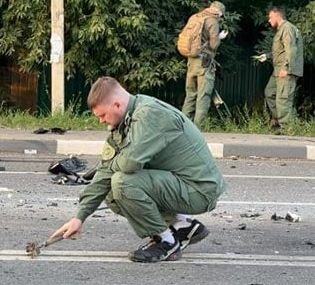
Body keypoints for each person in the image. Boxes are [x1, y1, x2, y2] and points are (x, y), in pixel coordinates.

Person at [52, 77, 226, 263]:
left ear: (117, 105)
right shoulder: (125, 121)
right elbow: (105, 171)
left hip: (199, 190)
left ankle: (166, 242)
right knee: (110, 189)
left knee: (122, 182)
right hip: (179, 183)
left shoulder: (149, 115)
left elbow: (129, 164)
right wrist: (79, 217)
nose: (101, 121)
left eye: (102, 115)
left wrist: (110, 167)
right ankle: (182, 225)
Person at [252, 7, 304, 133]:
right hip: (278, 71)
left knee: (283, 99)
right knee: (270, 93)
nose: (269, 21)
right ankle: (278, 123)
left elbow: (291, 50)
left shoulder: (287, 28)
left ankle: (286, 130)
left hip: (285, 71)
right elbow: (281, 50)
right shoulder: (281, 30)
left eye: (270, 17)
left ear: (277, 16)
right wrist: (267, 56)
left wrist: (286, 68)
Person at [181, 1, 229, 128]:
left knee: (190, 94)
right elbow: (213, 45)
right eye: (221, 15)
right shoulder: (212, 21)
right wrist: (219, 37)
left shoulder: (195, 17)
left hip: (191, 61)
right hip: (204, 62)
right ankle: (197, 128)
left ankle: (184, 127)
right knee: (204, 95)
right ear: (219, 12)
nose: (220, 18)